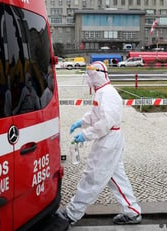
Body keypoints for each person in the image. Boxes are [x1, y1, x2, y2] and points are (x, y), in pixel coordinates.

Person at [57, 61, 142, 226]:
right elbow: (95, 114)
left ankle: (72, 214)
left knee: (92, 176)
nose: (87, 78)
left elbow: (105, 122)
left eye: (89, 74)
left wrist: (85, 135)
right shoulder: (101, 92)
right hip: (109, 139)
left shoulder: (107, 94)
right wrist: (81, 122)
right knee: (116, 177)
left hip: (108, 140)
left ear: (97, 74)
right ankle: (132, 212)